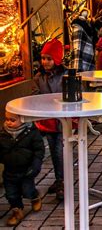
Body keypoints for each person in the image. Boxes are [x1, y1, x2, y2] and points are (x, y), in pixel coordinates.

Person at [32, 39, 66, 201]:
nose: (45, 62)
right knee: (52, 151)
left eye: (49, 58)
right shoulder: (39, 77)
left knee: (59, 151)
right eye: (43, 58)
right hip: (46, 119)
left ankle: (62, 181)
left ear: (57, 60)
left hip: (60, 120)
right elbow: (36, 94)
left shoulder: (64, 76)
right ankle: (59, 178)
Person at [0, 111, 45, 226]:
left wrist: (35, 165)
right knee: (11, 194)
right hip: (9, 170)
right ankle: (17, 211)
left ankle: (34, 197)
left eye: (12, 120)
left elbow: (39, 150)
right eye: (7, 119)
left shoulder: (32, 133)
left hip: (26, 170)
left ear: (23, 119)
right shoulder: (3, 133)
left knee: (27, 190)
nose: (8, 122)